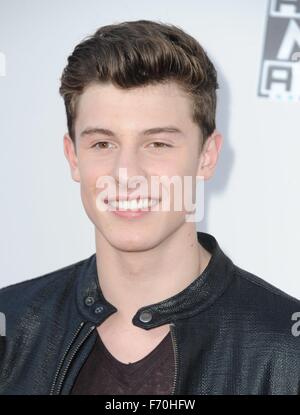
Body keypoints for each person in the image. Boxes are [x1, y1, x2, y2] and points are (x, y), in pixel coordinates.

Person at [1, 19, 300, 395]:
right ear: (73, 157)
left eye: (157, 144)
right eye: (102, 145)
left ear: (207, 156)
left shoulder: (287, 350)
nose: (126, 174)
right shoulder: (10, 326)